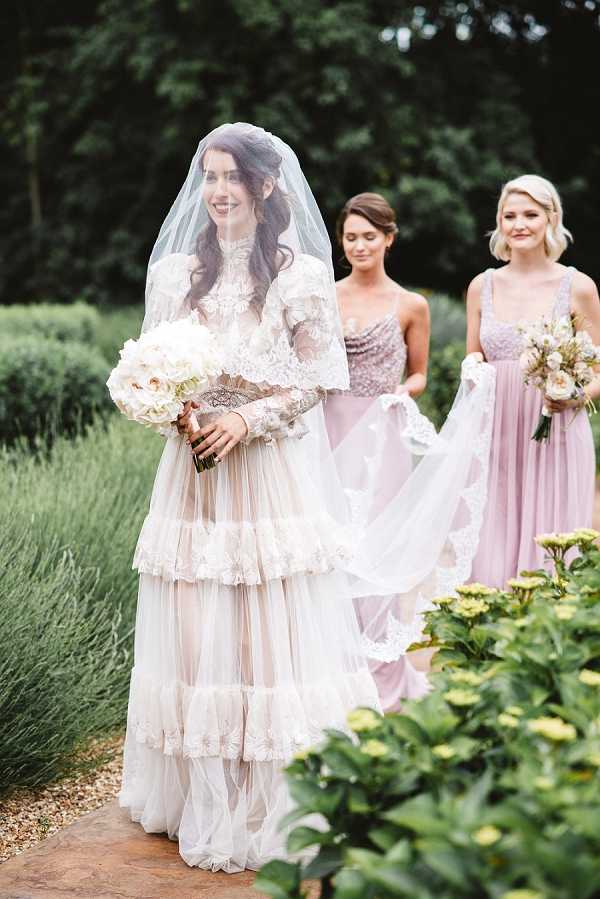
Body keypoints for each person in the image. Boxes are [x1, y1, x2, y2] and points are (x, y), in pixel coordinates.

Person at [117, 123, 379, 873]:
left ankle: (269, 794)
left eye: (233, 176)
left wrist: (244, 416)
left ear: (266, 188)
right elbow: (149, 367)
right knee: (198, 627)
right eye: (209, 176)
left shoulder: (299, 280)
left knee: (266, 632)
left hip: (267, 476)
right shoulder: (173, 275)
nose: (219, 190)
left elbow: (321, 377)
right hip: (193, 474)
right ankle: (201, 791)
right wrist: (176, 408)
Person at [324, 192, 431, 710]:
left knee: (378, 546)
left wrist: (403, 393)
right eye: (351, 237)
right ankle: (332, 669)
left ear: (389, 238)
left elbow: (420, 373)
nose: (360, 245)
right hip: (327, 428)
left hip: (381, 433)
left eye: (370, 236)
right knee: (331, 544)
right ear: (341, 242)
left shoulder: (411, 305)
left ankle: (382, 672)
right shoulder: (325, 297)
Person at [467, 174, 600, 588]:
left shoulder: (577, 286)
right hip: (497, 434)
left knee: (551, 550)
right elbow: (475, 352)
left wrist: (573, 396)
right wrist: (471, 368)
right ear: (499, 223)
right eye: (509, 215)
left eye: (530, 214)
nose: (519, 224)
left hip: (556, 432)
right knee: (490, 544)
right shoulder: (481, 285)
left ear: (550, 219)